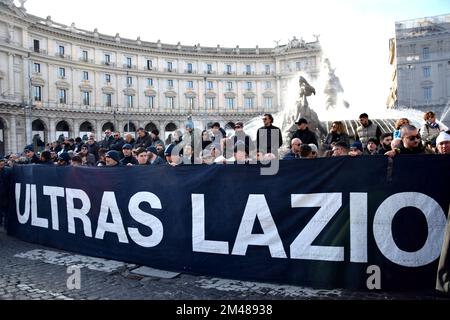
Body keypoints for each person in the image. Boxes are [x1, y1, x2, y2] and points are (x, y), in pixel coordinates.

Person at [0, 157, 12, 227]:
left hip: (5, 194)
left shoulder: (8, 170)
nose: (2, 163)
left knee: (6, 211)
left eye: (2, 162)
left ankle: (6, 225)